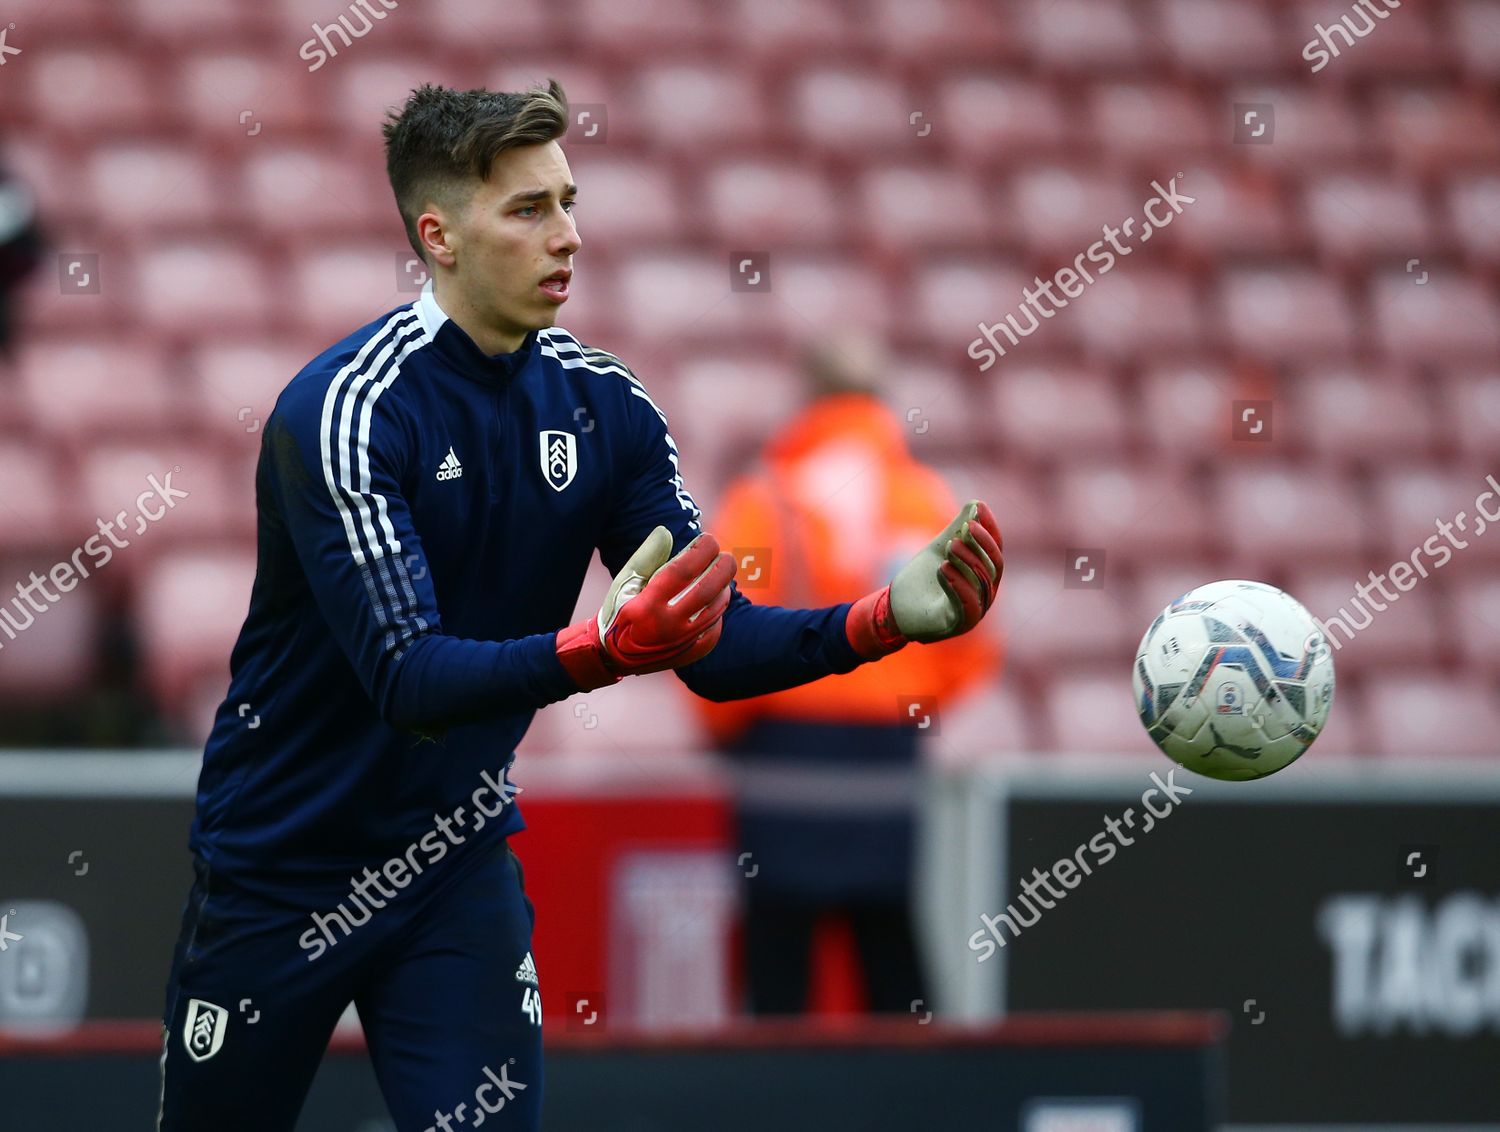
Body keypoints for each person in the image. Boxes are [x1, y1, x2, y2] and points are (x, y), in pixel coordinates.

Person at [156, 79, 1003, 1132]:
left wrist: (879, 620)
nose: (569, 234)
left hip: (449, 866)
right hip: (280, 867)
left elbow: (716, 646)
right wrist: (597, 651)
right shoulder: (344, 410)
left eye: (569, 200)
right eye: (529, 209)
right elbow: (408, 680)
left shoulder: (607, 405)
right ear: (440, 236)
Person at [691, 335, 1002, 1015]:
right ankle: (917, 1108)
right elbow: (973, 646)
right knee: (890, 951)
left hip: (782, 752)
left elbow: (714, 635)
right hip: (888, 755)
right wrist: (909, 698)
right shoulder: (926, 501)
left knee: (777, 968)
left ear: (808, 399)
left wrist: (726, 725)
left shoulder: (764, 498)